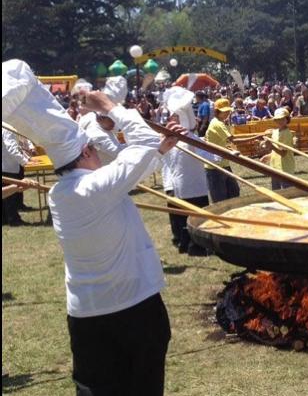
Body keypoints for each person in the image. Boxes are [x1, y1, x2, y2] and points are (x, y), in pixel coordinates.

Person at [3, 59, 182, 394]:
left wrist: (157, 150)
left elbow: (128, 169)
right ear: (87, 151)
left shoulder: (62, 194)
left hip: (86, 317)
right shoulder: (98, 187)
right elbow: (135, 151)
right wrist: (111, 107)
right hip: (134, 310)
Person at [160, 87, 215, 256]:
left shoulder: (189, 138)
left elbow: (210, 156)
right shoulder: (172, 139)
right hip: (185, 186)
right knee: (188, 218)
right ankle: (190, 245)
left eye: (176, 117)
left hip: (190, 185)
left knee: (190, 218)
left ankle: (190, 244)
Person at [204, 98, 240, 202]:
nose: (227, 113)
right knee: (220, 199)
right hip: (214, 166)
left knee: (234, 192)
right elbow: (234, 140)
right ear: (217, 112)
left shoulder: (222, 122)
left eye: (228, 111)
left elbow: (224, 142)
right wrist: (256, 137)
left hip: (223, 163)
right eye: (224, 111)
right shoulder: (217, 124)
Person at [2, 128, 31, 225]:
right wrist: (25, 163)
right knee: (11, 196)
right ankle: (14, 220)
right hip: (8, 167)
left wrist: (27, 159)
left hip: (6, 166)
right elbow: (12, 148)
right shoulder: (7, 128)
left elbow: (18, 148)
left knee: (7, 195)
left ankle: (5, 219)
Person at [265, 107, 296, 189]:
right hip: (275, 167)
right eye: (278, 119)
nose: (280, 121)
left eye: (282, 119)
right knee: (276, 192)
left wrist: (271, 146)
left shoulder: (287, 134)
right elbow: (275, 150)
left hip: (285, 169)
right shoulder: (275, 132)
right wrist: (269, 156)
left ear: (287, 119)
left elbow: (283, 153)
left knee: (287, 192)